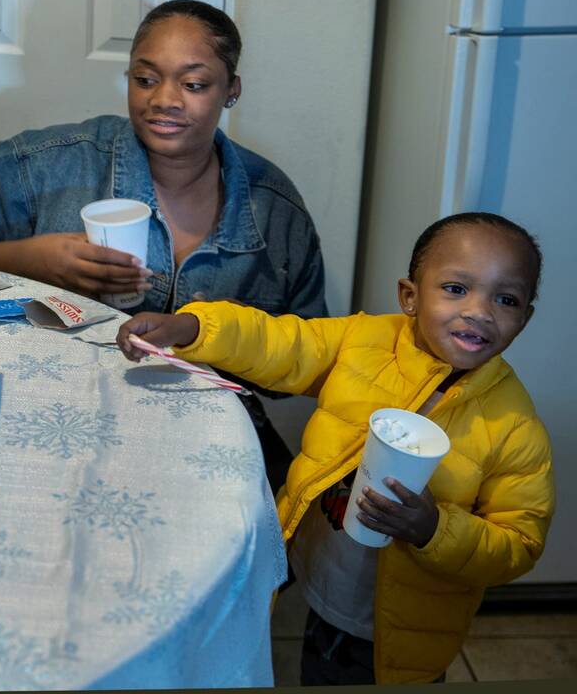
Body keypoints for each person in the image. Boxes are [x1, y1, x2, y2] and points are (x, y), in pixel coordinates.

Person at [115, 212, 554, 685]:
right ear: (410, 296)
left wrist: (434, 529)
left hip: (395, 632)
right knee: (315, 659)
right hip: (324, 578)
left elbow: (519, 543)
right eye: (455, 289)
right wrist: (194, 328)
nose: (479, 311)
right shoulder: (362, 341)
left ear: (524, 318)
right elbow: (282, 343)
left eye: (505, 299)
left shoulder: (515, 427)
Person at [0, 0, 328, 491]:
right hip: (47, 419)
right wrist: (28, 261)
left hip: (205, 440)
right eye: (145, 80)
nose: (164, 100)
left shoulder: (273, 209)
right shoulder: (42, 166)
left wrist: (205, 335)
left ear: (231, 90)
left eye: (193, 84)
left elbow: (308, 359)